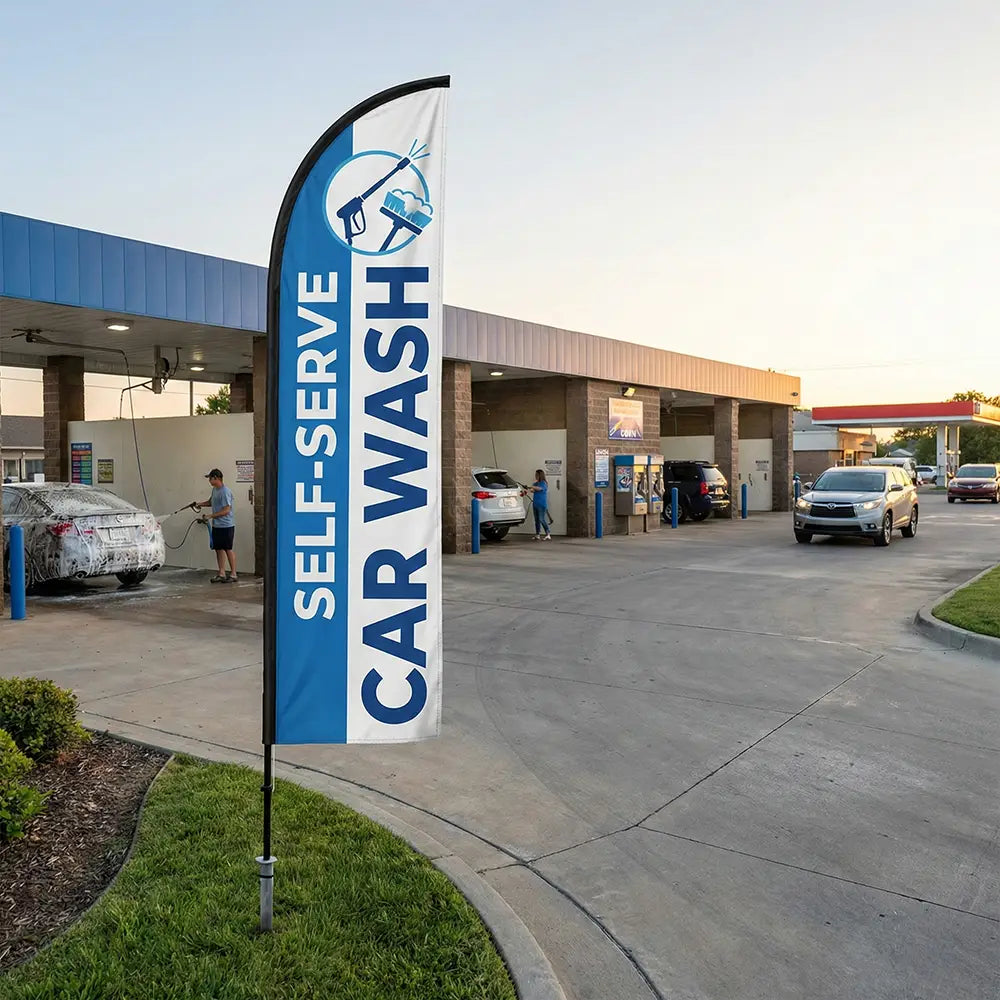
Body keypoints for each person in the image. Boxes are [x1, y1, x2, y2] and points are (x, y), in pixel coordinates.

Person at [194, 468, 237, 582]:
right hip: (217, 526)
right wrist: (199, 504)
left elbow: (226, 510)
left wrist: (210, 516)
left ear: (216, 478)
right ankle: (221, 573)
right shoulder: (215, 490)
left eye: (210, 478)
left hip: (226, 525)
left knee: (228, 549)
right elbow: (211, 502)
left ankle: (233, 574)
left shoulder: (225, 491)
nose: (209, 480)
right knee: (218, 549)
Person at [526, 469, 551, 540]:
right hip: (535, 504)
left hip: (542, 505)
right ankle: (537, 534)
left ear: (540, 475)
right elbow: (532, 490)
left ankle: (548, 533)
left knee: (541, 519)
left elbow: (539, 489)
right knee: (536, 520)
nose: (535, 476)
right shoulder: (535, 483)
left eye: (537, 475)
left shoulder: (544, 483)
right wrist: (527, 490)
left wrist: (531, 487)